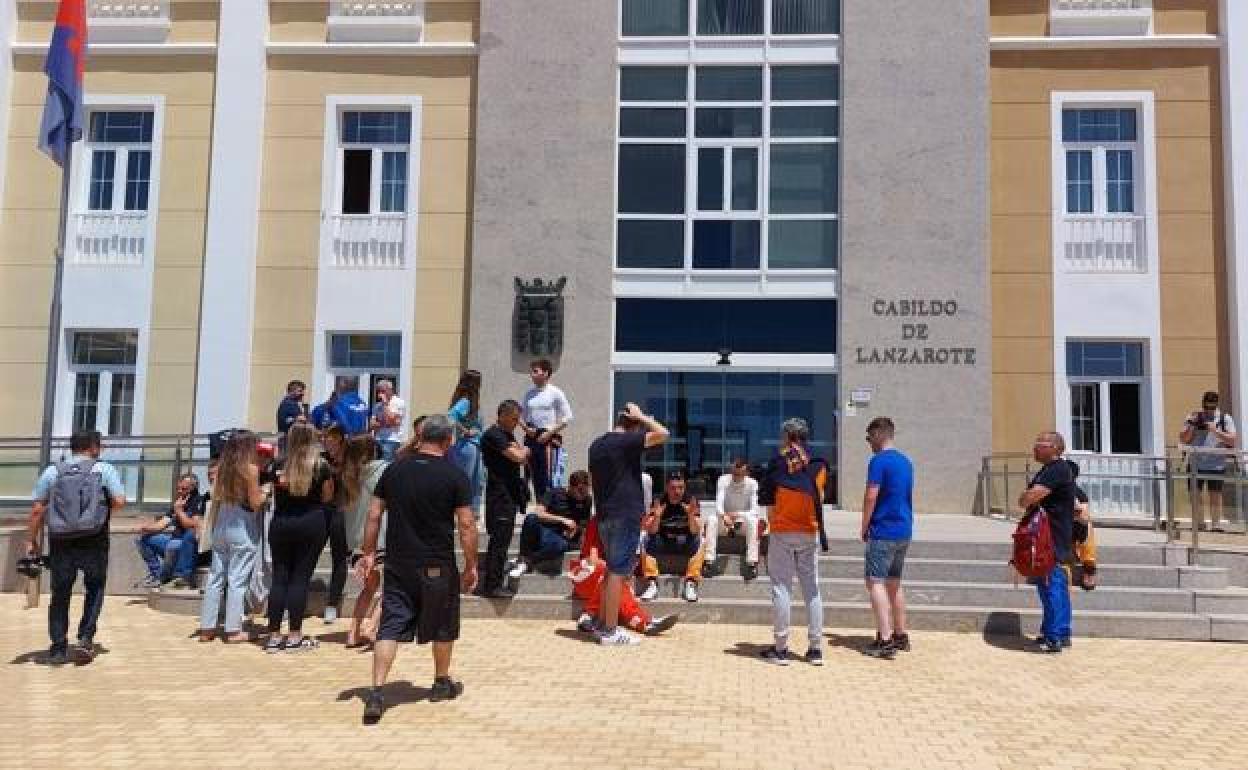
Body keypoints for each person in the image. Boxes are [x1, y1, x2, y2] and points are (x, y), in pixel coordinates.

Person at [356, 415, 478, 724]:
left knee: (391, 624)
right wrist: (472, 564)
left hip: (398, 562)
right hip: (437, 563)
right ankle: (440, 682)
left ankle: (376, 691)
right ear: (448, 441)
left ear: (420, 436)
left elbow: (373, 515)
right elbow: (466, 524)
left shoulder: (394, 470)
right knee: (442, 622)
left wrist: (368, 553)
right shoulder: (454, 475)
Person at [23, 430, 126, 665]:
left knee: (60, 592)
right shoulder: (104, 469)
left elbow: (38, 509)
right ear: (93, 447)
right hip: (94, 537)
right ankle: (85, 639)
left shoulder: (53, 471)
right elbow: (120, 501)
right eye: (100, 446)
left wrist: (31, 540)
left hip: (61, 540)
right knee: (95, 587)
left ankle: (58, 647)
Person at [587, 403, 669, 646]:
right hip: (624, 515)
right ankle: (610, 631)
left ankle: (602, 624)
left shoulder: (597, 445)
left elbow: (593, 481)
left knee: (611, 570)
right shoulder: (627, 441)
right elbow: (664, 434)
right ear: (633, 426)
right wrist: (643, 416)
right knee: (617, 573)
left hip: (604, 513)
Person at [758, 418, 828, 666]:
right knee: (812, 589)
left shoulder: (779, 461)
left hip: (783, 530)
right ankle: (816, 649)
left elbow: (766, 498)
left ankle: (781, 648)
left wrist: (769, 523)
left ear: (789, 436)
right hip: (809, 531)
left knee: (781, 588)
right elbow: (819, 496)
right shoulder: (819, 464)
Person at [265, 423, 335, 652]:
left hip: (282, 522)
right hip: (311, 522)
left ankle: (274, 634)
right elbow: (328, 496)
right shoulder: (320, 465)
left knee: (279, 577)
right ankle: (295, 634)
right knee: (300, 579)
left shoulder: (277, 465)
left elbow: (269, 488)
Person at [198, 434, 267, 643]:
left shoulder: (221, 469)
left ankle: (207, 628)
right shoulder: (249, 469)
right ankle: (233, 629)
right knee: (237, 580)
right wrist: (266, 492)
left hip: (221, 525)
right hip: (242, 526)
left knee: (215, 578)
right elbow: (255, 502)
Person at [859, 417, 915, 659]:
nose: (869, 442)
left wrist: (864, 525)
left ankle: (884, 639)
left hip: (883, 529)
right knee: (894, 582)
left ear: (879, 434)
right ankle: (901, 635)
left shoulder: (878, 461)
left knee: (875, 582)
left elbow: (872, 495)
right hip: (903, 529)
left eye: (869, 437)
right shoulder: (906, 462)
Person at [1017, 431, 1077, 654]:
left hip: (1050, 537)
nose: (1034, 448)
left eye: (1039, 444)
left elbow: (1029, 498)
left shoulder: (1056, 470)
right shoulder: (1053, 469)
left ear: (1054, 447)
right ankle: (1059, 631)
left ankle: (1054, 636)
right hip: (1052, 535)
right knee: (1054, 584)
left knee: (1051, 585)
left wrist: (1025, 497)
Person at [571, 515, 678, 637]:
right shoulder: (597, 521)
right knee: (609, 573)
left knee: (618, 590)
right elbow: (593, 559)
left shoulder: (629, 526)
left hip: (611, 583)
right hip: (587, 575)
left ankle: (643, 624)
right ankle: (589, 613)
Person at [340, 433, 389, 648]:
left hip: (354, 543)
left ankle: (353, 633)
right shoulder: (381, 470)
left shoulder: (346, 475)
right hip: (378, 539)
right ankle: (372, 627)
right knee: (393, 588)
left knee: (369, 588)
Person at [479, 400, 530, 598]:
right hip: (499, 496)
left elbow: (520, 454)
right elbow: (518, 456)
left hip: (508, 494)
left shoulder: (507, 434)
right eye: (514, 419)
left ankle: (495, 580)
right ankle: (492, 586)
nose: (517, 423)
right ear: (503, 416)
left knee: (504, 539)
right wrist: (523, 452)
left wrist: (522, 452)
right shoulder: (494, 435)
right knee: (499, 540)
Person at [508, 470, 593, 579]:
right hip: (543, 530)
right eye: (580, 491)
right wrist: (562, 520)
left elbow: (584, 524)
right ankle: (523, 557)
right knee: (531, 518)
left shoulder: (587, 500)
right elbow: (538, 513)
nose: (583, 495)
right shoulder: (555, 493)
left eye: (586, 491)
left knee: (560, 545)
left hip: (560, 538)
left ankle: (526, 561)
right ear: (571, 487)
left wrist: (577, 531)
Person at [639, 474, 705, 603]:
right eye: (673, 488)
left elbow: (695, 530)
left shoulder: (690, 501)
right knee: (644, 538)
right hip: (663, 541)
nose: (677, 492)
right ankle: (652, 583)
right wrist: (657, 516)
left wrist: (691, 515)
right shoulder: (659, 501)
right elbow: (651, 531)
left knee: (701, 540)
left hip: (684, 541)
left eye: (680, 488)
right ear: (667, 488)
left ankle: (690, 583)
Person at [1180, 390, 1238, 531]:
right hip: (1195, 464)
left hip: (1216, 464)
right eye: (1206, 407)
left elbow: (1232, 440)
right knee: (1195, 495)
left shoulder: (1225, 419)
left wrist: (1215, 430)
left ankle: (1216, 525)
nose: (1209, 410)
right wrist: (1193, 425)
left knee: (1215, 496)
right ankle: (1199, 524)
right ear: (1202, 405)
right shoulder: (1193, 417)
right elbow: (1184, 439)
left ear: (1217, 405)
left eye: (1212, 407)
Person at [135, 473, 206, 589]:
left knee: (174, 544)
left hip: (186, 544)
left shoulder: (198, 501)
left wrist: (179, 511)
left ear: (193, 488)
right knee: (141, 539)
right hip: (173, 540)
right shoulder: (179, 501)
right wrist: (145, 528)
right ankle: (155, 573)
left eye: (184, 489)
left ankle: (165, 578)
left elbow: (192, 526)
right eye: (178, 488)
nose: (179, 491)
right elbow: (162, 524)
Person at [521, 358, 573, 500]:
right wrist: (526, 429)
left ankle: (551, 509)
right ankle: (539, 508)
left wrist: (549, 433)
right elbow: (521, 416)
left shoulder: (555, 392)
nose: (531, 375)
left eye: (535, 371)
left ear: (545, 373)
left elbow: (567, 417)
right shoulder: (529, 394)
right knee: (532, 475)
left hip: (548, 437)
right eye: (532, 372)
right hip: (531, 437)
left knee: (549, 477)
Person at [705, 458, 763, 581]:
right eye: (734, 473)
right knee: (711, 519)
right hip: (726, 522)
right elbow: (719, 503)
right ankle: (708, 561)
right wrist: (724, 516)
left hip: (742, 524)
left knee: (753, 520)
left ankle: (751, 563)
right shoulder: (723, 480)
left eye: (739, 474)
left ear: (746, 473)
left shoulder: (752, 483)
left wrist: (738, 514)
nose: (736, 476)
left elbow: (755, 510)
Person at [320, 424, 350, 624]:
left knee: (340, 558)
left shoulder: (349, 460)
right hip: (321, 511)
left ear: (339, 439)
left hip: (340, 511)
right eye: (324, 437)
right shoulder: (322, 458)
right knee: (309, 555)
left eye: (329, 437)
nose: (326, 441)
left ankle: (332, 603)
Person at [447, 370, 484, 514]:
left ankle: (473, 512)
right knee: (466, 480)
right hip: (467, 445)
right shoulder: (465, 401)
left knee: (477, 480)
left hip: (474, 445)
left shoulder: (470, 401)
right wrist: (466, 430)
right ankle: (463, 511)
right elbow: (450, 416)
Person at [1070, 460, 1097, 591]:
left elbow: (1084, 519)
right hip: (1061, 531)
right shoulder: (1050, 492)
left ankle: (1089, 571)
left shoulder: (1078, 494)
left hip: (1078, 528)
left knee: (1087, 534)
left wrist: (1075, 511)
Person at [371, 379, 407, 461]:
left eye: (383, 391)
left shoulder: (398, 402)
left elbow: (392, 421)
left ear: (390, 390)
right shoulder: (377, 406)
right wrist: (384, 423)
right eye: (379, 391)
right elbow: (372, 424)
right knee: (377, 465)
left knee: (387, 465)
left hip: (392, 439)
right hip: (378, 439)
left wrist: (385, 404)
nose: (380, 394)